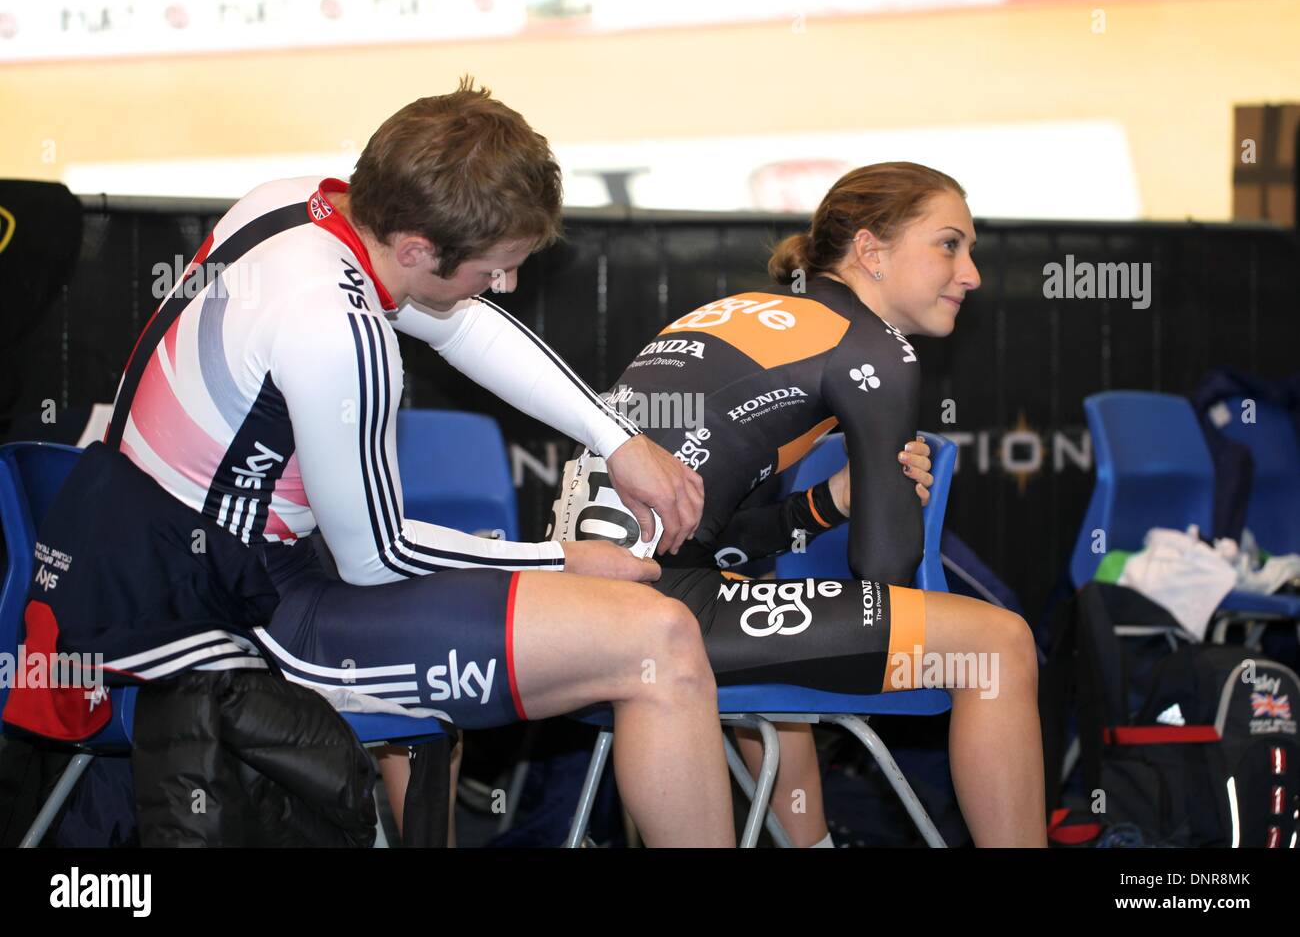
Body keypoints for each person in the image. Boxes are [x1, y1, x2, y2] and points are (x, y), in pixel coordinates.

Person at [100, 79, 739, 847]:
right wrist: (560, 560)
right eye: (495, 267)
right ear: (417, 249)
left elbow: (461, 325)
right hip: (234, 618)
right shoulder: (341, 331)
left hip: (147, 567)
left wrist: (619, 439)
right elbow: (378, 558)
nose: (504, 286)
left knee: (623, 631)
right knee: (658, 638)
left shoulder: (297, 205)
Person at [550, 162, 1047, 847]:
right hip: (648, 611)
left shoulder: (748, 315)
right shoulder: (871, 348)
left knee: (767, 626)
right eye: (949, 244)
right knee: (998, 643)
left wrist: (829, 503)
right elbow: (886, 577)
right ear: (871, 252)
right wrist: (890, 499)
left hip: (583, 605)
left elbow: (706, 539)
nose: (971, 275)